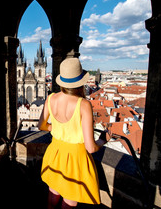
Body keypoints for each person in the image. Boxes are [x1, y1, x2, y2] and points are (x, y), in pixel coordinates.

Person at [38, 57, 109, 209]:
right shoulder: (83, 104)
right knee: (69, 202)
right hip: (75, 160)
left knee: (53, 196)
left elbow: (42, 126)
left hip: (55, 153)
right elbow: (90, 148)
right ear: (80, 82)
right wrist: (104, 140)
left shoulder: (51, 98)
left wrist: (57, 129)